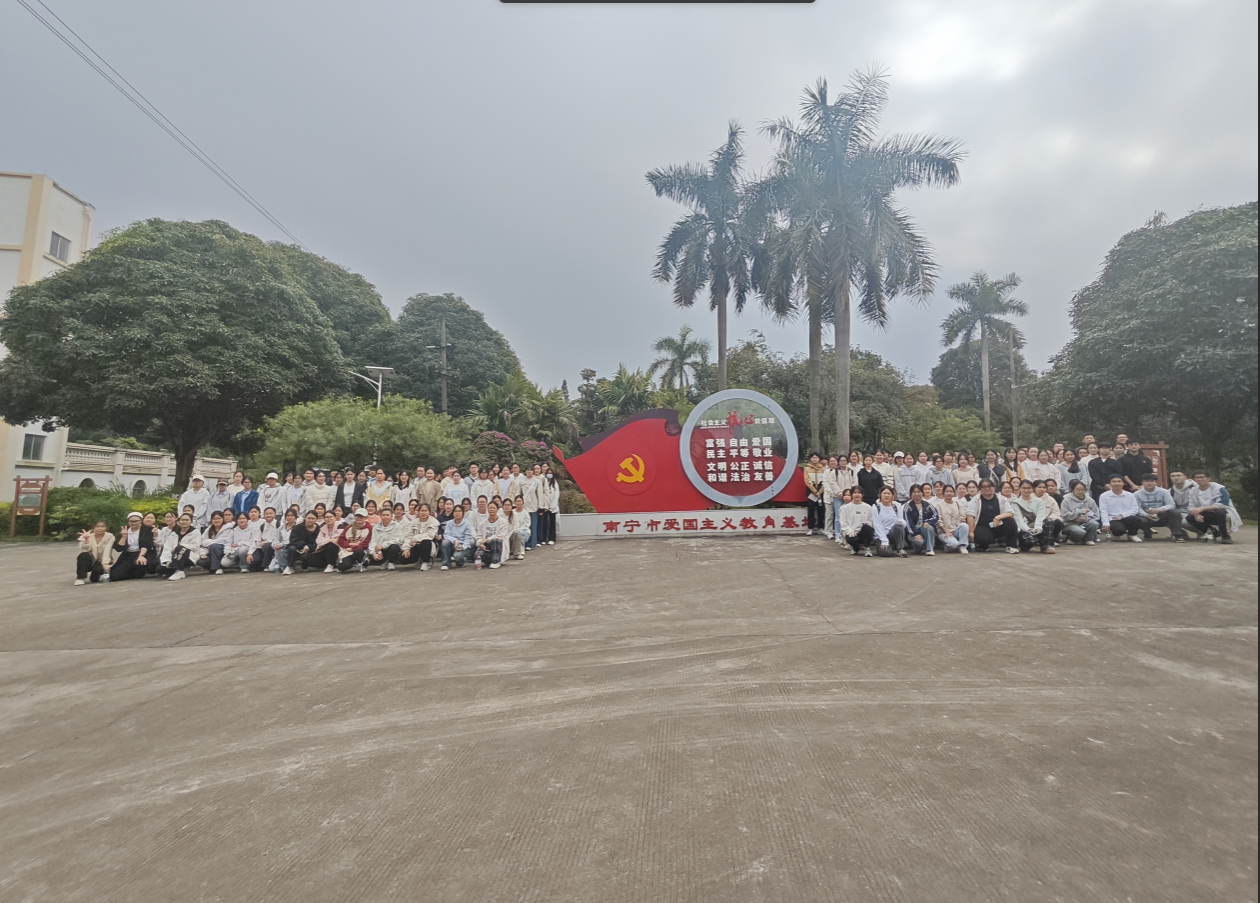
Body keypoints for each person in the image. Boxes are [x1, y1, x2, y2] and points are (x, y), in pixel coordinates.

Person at [967, 480, 1019, 553]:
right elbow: (970, 516)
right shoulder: (976, 500)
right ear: (979, 489)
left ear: (994, 488)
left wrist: (998, 517)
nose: (987, 488)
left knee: (1010, 521)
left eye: (989, 486)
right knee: (984, 538)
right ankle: (983, 545)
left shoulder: (1001, 499)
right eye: (984, 487)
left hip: (997, 524)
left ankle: (1011, 546)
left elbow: (1010, 513)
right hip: (982, 526)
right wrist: (971, 532)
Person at [1186, 472, 1234, 544]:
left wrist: (1202, 509)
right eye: (1197, 477)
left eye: (1202, 477)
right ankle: (1213, 532)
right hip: (1205, 514)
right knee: (1190, 517)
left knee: (1221, 513)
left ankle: (1225, 536)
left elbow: (1223, 504)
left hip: (1221, 513)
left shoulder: (1219, 488)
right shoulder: (1193, 490)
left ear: (1208, 479)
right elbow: (1191, 505)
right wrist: (1195, 514)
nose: (1199, 479)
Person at [1134, 473, 1184, 542]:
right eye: (1147, 481)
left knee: (1175, 512)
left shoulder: (1164, 492)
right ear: (1142, 482)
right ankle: (1147, 532)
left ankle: (1177, 535)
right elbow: (1137, 508)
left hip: (1161, 515)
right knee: (1137, 519)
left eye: (1152, 481)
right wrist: (1146, 515)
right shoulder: (1136, 494)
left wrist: (1159, 510)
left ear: (1156, 482)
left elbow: (1171, 505)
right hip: (1146, 516)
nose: (1149, 483)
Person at [1098, 475, 1146, 541]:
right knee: (1119, 530)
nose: (1117, 483)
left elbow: (1135, 509)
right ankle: (1115, 534)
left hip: (1127, 517)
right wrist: (1105, 523)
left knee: (1137, 520)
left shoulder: (1130, 495)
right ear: (1109, 483)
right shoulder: (1104, 496)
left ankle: (1132, 535)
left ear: (1123, 483)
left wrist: (1122, 515)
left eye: (1119, 481)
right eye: (1114, 482)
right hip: (1112, 519)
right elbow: (1103, 510)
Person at [110, 512, 156, 580]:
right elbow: (119, 548)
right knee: (114, 576)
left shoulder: (147, 530)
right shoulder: (125, 530)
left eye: (136, 521)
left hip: (141, 553)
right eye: (131, 521)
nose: (133, 523)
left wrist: (141, 555)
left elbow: (146, 544)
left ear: (141, 521)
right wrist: (124, 537)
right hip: (128, 555)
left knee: (139, 573)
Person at [159, 513, 201, 580]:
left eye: (187, 520)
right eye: (183, 520)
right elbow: (167, 547)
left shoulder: (195, 532)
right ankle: (178, 569)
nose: (184, 522)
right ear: (178, 521)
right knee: (160, 569)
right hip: (174, 557)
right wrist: (166, 561)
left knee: (179, 548)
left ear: (191, 522)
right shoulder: (174, 533)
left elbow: (195, 546)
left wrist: (178, 547)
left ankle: (180, 571)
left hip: (189, 556)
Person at [1060, 480, 1101, 545]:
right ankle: (1072, 539)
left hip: (1085, 522)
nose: (1080, 491)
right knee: (1079, 532)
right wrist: (1078, 513)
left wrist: (1085, 518)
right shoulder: (1066, 500)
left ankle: (1088, 539)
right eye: (1078, 490)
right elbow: (1064, 515)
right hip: (1069, 523)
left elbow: (1096, 515)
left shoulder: (1090, 501)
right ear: (1072, 490)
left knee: (1094, 524)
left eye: (1082, 490)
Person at [871, 487, 908, 558]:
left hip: (892, 534)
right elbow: (877, 525)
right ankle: (886, 546)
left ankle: (900, 549)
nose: (886, 495)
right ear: (880, 495)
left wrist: (902, 523)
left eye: (888, 493)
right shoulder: (876, 507)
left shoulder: (896, 507)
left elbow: (901, 521)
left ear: (892, 495)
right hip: (880, 536)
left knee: (899, 527)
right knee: (886, 553)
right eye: (884, 493)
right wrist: (884, 540)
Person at [75, 520, 115, 585]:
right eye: (97, 526)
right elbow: (84, 550)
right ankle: (80, 578)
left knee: (94, 579)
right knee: (83, 555)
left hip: (101, 561)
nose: (100, 528)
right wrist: (86, 540)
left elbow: (107, 550)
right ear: (93, 528)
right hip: (91, 560)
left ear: (106, 528)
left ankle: (96, 573)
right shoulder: (87, 535)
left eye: (103, 526)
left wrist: (105, 563)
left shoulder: (110, 537)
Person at [401, 503, 439, 570]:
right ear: (418, 512)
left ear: (429, 512)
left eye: (425, 511)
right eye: (422, 511)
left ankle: (426, 562)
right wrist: (406, 548)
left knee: (425, 542)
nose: (423, 513)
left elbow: (430, 535)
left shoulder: (434, 522)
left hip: (429, 546)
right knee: (403, 559)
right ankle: (419, 559)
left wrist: (415, 538)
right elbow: (408, 536)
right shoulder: (413, 522)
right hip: (414, 545)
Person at [838, 488, 875, 556]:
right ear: (852, 495)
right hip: (853, 532)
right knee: (853, 539)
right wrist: (850, 531)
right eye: (855, 493)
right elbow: (843, 522)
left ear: (862, 494)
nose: (857, 495)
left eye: (859, 493)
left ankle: (867, 548)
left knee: (867, 528)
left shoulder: (868, 507)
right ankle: (855, 548)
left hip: (863, 532)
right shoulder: (845, 508)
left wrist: (868, 524)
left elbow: (871, 520)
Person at [368, 504, 406, 570]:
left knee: (394, 547)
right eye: (383, 515)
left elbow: (399, 540)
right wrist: (373, 553)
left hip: (390, 549)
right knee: (372, 557)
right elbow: (373, 541)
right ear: (381, 516)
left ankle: (391, 562)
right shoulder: (376, 527)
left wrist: (383, 545)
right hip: (380, 550)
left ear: (391, 516)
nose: (385, 517)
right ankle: (384, 562)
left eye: (387, 515)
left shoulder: (397, 526)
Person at [903, 485, 938, 556]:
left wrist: (928, 522)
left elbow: (935, 515)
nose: (916, 494)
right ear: (911, 494)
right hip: (913, 532)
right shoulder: (907, 506)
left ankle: (929, 550)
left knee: (929, 527)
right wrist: (916, 534)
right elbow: (908, 522)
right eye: (914, 492)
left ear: (922, 493)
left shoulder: (927, 504)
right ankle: (917, 548)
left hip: (924, 529)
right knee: (920, 543)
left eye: (918, 492)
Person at [934, 485, 970, 554]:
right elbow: (938, 520)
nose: (949, 493)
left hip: (955, 530)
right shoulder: (938, 505)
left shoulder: (957, 503)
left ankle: (963, 546)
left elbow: (962, 517)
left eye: (951, 491)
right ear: (943, 493)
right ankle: (948, 546)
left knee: (964, 525)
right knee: (954, 545)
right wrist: (946, 531)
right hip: (944, 532)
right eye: (947, 491)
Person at [476, 500, 511, 568]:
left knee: (495, 541)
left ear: (498, 509)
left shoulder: (503, 522)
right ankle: (490, 560)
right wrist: (480, 544)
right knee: (477, 554)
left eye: (493, 508)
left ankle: (496, 561)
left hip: (498, 545)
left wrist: (487, 539)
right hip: (486, 545)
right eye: (490, 508)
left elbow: (501, 536)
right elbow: (478, 536)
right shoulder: (482, 523)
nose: (491, 510)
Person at [440, 505, 475, 570]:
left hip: (463, 545)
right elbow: (446, 535)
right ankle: (446, 564)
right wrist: (455, 540)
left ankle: (461, 562)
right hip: (453, 544)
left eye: (459, 511)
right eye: (455, 511)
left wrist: (462, 547)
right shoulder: (449, 523)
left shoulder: (467, 524)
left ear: (463, 513)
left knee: (457, 556)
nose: (457, 513)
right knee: (445, 542)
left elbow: (468, 538)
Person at [1033, 481, 1064, 547]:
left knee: (1058, 523)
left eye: (1044, 487)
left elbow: (1056, 513)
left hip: (1047, 520)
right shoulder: (1029, 498)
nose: (1042, 489)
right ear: (1034, 488)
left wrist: (1048, 519)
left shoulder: (1050, 499)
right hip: (1033, 521)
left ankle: (1050, 540)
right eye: (1039, 487)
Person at [268, 509, 298, 573]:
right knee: (271, 568)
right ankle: (282, 566)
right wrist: (275, 545)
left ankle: (285, 568)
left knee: (281, 551)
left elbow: (293, 541)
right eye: (288, 516)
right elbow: (276, 539)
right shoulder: (281, 527)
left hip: (290, 548)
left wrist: (281, 545)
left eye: (292, 515)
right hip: (279, 549)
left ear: (295, 517)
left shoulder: (298, 527)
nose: (289, 517)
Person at [803, 453, 826, 535]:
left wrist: (820, 492)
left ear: (819, 459)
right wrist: (814, 491)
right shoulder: (807, 469)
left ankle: (821, 528)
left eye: (816, 457)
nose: (815, 459)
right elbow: (807, 481)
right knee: (811, 510)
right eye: (813, 457)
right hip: (811, 493)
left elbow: (825, 481)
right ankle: (810, 528)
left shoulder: (823, 469)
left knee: (821, 510)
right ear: (810, 459)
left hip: (821, 493)